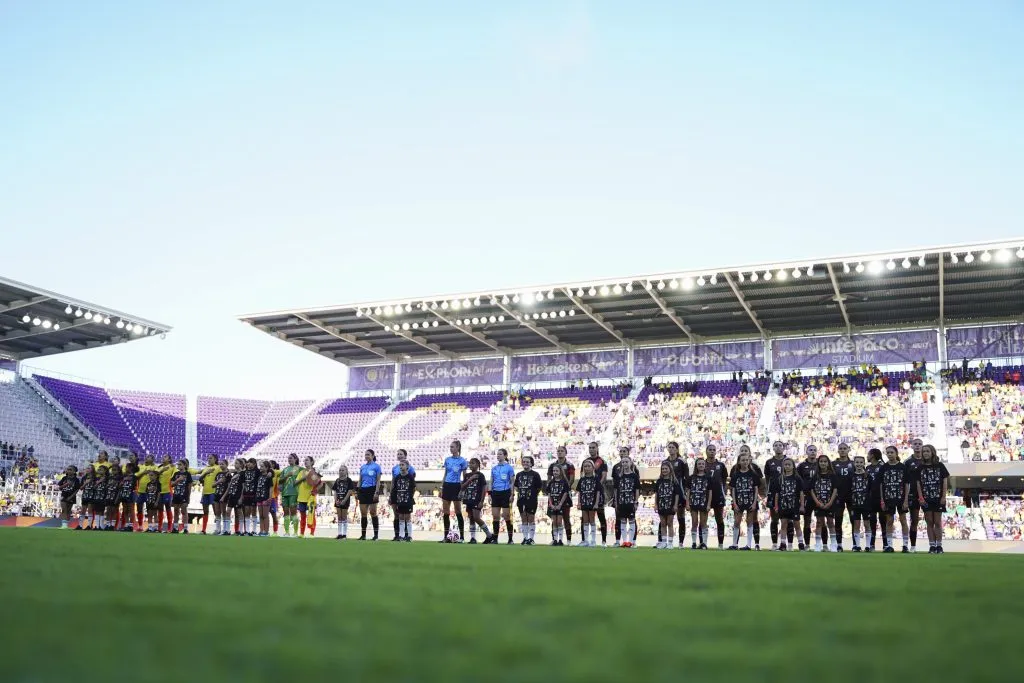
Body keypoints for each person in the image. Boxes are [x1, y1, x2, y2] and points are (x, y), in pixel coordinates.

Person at [916, 444, 949, 554]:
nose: (925, 453)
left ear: (932, 453)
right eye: (924, 451)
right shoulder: (920, 468)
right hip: (926, 499)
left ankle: (939, 546)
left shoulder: (940, 466)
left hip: (938, 498)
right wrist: (921, 497)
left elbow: (945, 481)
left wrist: (943, 497)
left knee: (937, 522)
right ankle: (932, 546)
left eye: (927, 451)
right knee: (929, 522)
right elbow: (918, 483)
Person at [878, 446, 910, 553]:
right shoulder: (884, 467)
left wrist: (906, 500)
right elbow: (881, 485)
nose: (890, 454)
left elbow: (906, 484)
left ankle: (905, 545)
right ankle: (889, 546)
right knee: (889, 521)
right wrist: (882, 500)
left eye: (892, 452)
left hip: (900, 497)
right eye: (888, 452)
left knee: (903, 520)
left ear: (896, 453)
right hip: (888, 498)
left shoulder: (902, 467)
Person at [768, 458, 804, 551]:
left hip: (794, 505)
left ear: (793, 466)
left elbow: (801, 493)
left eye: (789, 464)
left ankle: (801, 544)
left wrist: (802, 505)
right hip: (783, 505)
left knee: (797, 525)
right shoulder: (780, 478)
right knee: (783, 525)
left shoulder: (797, 478)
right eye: (785, 464)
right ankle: (783, 544)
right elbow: (777, 494)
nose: (787, 466)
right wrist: (776, 506)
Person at [730, 449, 762, 550]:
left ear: (749, 461)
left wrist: (754, 502)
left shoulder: (753, 474)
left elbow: (756, 489)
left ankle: (748, 544)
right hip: (739, 501)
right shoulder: (735, 475)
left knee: (750, 522)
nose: (745, 462)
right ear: (739, 462)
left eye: (746, 460)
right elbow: (733, 490)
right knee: (736, 522)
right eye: (743, 460)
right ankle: (735, 544)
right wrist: (734, 503)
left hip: (750, 500)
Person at [440, 440, 468, 542]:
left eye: (452, 447)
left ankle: (462, 537)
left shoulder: (462, 461)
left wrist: (463, 489)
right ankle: (445, 537)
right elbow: (445, 474)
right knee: (446, 512)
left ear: (458, 448)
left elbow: (464, 477)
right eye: (450, 447)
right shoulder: (447, 460)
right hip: (447, 485)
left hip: (456, 486)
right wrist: (442, 487)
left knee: (458, 511)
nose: (451, 448)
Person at [763, 441, 790, 549]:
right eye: (776, 445)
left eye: (780, 445)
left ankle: (788, 543)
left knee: (788, 519)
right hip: (773, 493)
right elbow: (767, 478)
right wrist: (767, 491)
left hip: (787, 492)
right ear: (773, 448)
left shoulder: (788, 461)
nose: (778, 447)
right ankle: (774, 543)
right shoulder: (769, 462)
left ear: (783, 448)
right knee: (774, 519)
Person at [797, 445, 824, 549]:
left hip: (819, 495)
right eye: (810, 450)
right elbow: (798, 481)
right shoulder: (802, 466)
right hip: (806, 496)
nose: (812, 452)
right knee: (807, 521)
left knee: (820, 521)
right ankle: (807, 545)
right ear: (806, 452)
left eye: (814, 450)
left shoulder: (821, 464)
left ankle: (821, 544)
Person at [663, 441, 690, 549]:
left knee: (680, 517)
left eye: (673, 447)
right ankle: (663, 541)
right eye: (669, 447)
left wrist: (686, 492)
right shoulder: (665, 461)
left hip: (680, 492)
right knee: (664, 518)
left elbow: (687, 478)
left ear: (677, 449)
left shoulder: (682, 461)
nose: (671, 449)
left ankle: (681, 543)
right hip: (667, 494)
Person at [546, 446, 576, 544]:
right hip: (554, 494)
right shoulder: (552, 465)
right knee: (554, 518)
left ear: (565, 453)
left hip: (565, 495)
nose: (559, 452)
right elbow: (549, 478)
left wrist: (565, 488)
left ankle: (568, 540)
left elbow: (571, 479)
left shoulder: (570, 465)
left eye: (562, 451)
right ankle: (554, 539)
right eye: (558, 451)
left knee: (566, 518)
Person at [809, 454, 838, 552]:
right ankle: (818, 544)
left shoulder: (832, 475)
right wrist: (817, 502)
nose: (823, 463)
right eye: (821, 461)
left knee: (830, 522)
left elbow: (835, 489)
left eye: (825, 461)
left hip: (830, 502)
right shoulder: (815, 475)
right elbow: (812, 490)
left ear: (828, 463)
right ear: (818, 463)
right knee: (819, 522)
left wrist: (830, 502)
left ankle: (834, 544)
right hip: (819, 503)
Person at [461, 458, 493, 544]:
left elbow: (484, 488)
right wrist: (470, 479)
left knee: (476, 517)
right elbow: (462, 487)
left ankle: (489, 535)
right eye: (470, 463)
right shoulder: (467, 475)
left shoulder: (480, 475)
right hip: (468, 499)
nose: (471, 465)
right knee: (471, 518)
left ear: (478, 465)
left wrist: (482, 501)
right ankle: (473, 538)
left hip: (477, 499)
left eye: (473, 463)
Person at [613, 450, 641, 547]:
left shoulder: (634, 476)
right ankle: (625, 541)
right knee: (623, 521)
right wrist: (616, 502)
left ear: (630, 463)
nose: (625, 463)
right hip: (621, 502)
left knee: (632, 520)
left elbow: (637, 489)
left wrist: (636, 501)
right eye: (623, 462)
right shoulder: (619, 477)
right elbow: (616, 490)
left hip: (631, 501)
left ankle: (632, 542)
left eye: (626, 462)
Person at [513, 455, 542, 545]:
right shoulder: (519, 474)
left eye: (527, 462)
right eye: (524, 462)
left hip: (532, 500)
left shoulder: (535, 474)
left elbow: (539, 487)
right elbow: (516, 487)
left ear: (531, 463)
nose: (525, 463)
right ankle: (525, 538)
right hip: (521, 499)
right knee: (523, 518)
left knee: (531, 518)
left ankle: (531, 539)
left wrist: (532, 494)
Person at [831, 442, 855, 552]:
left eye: (844, 448)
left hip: (851, 495)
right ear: (837, 450)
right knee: (838, 520)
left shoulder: (854, 463)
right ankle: (839, 544)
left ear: (848, 449)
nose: (842, 450)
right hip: (837, 496)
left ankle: (855, 544)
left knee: (854, 520)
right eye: (840, 448)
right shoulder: (833, 464)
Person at [704, 444, 729, 549]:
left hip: (718, 495)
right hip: (704, 496)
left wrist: (724, 491)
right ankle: (703, 543)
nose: (712, 451)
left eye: (714, 450)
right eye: (710, 450)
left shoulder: (721, 465)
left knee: (719, 520)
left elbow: (725, 480)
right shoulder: (702, 464)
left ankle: (720, 544)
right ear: (706, 451)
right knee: (703, 521)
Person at [585, 442, 610, 546]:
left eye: (593, 447)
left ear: (597, 448)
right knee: (585, 518)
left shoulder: (602, 462)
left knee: (601, 516)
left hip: (598, 493)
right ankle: (585, 540)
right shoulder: (585, 461)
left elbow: (604, 477)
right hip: (587, 494)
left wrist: (596, 487)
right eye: (590, 447)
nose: (591, 449)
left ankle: (604, 541)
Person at [489, 449, 515, 544]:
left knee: (507, 516)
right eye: (497, 454)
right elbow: (491, 482)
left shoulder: (509, 468)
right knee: (495, 517)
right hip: (495, 493)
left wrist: (512, 494)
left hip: (505, 493)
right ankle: (495, 539)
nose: (498, 455)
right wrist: (489, 494)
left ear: (505, 456)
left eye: (500, 454)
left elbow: (512, 482)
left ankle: (510, 539)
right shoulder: (494, 468)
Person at [575, 458, 603, 547]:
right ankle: (586, 540)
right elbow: (579, 492)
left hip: (592, 502)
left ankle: (593, 540)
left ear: (593, 467)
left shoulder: (596, 478)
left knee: (592, 521)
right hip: (584, 502)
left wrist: (596, 503)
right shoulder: (582, 479)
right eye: (585, 466)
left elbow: (598, 491)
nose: (586, 468)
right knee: (585, 521)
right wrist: (579, 502)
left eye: (588, 466)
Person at [904, 438, 925, 552]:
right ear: (912, 446)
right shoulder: (907, 462)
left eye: (919, 444)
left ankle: (935, 545)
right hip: (913, 494)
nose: (917, 446)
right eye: (915, 444)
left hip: (927, 494)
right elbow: (904, 480)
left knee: (931, 520)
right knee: (914, 520)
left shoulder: (927, 460)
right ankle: (913, 546)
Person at [356, 450, 382, 541]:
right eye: (365, 454)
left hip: (372, 489)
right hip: (363, 490)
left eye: (368, 454)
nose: (366, 456)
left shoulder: (377, 467)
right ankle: (363, 535)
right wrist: (357, 491)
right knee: (363, 513)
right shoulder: (363, 467)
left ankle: (376, 535)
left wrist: (377, 492)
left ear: (373, 455)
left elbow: (378, 481)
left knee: (373, 512)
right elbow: (360, 479)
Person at [654, 463, 682, 549]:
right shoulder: (659, 481)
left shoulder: (674, 481)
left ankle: (670, 542)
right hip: (661, 504)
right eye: (663, 469)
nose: (664, 470)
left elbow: (677, 494)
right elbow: (656, 493)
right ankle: (663, 542)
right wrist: (656, 504)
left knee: (669, 523)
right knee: (662, 523)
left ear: (670, 469)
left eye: (666, 469)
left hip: (670, 504)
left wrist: (675, 505)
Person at [390, 450, 415, 541]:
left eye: (401, 454)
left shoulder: (410, 472)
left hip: (407, 498)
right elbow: (393, 483)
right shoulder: (395, 470)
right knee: (398, 516)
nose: (399, 455)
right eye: (398, 454)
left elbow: (413, 486)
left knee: (407, 517)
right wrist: (391, 495)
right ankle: (398, 535)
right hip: (398, 497)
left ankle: (408, 535)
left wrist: (410, 496)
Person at [687, 458, 712, 549]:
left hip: (704, 502)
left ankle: (704, 543)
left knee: (703, 523)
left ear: (705, 465)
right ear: (696, 466)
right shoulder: (691, 477)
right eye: (699, 464)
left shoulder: (708, 477)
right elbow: (688, 491)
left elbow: (710, 492)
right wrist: (687, 503)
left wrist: (709, 504)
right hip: (693, 502)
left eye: (702, 464)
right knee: (694, 522)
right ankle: (694, 542)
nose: (701, 465)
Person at [848, 455, 872, 552]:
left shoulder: (868, 476)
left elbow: (871, 490)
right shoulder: (851, 476)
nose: (859, 464)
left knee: (867, 524)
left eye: (861, 462)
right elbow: (848, 490)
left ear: (864, 463)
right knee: (856, 524)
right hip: (855, 504)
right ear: (854, 463)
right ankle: (857, 546)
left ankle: (868, 546)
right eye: (857, 462)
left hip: (866, 504)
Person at [278, 454, 304, 538]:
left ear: (296, 459)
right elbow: (280, 481)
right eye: (288, 458)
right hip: (285, 493)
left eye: (291, 458)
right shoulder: (285, 469)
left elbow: (309, 473)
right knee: (285, 513)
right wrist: (287, 476)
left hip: (294, 492)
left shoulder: (299, 469)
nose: (289, 460)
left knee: (293, 512)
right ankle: (287, 532)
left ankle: (295, 533)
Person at [296, 456, 322, 538]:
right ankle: (302, 533)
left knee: (311, 515)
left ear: (311, 462)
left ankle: (311, 533)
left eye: (307, 460)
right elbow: (295, 482)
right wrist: (303, 478)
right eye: (304, 460)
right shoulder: (301, 472)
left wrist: (315, 491)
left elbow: (320, 483)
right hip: (301, 497)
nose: (305, 461)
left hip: (310, 497)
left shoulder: (314, 473)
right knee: (302, 515)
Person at [545, 463, 570, 546]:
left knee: (559, 522)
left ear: (560, 471)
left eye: (557, 471)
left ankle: (560, 540)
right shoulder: (551, 482)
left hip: (561, 505)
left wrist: (560, 504)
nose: (555, 472)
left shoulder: (564, 482)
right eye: (554, 471)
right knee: (554, 522)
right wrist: (551, 504)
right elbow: (549, 494)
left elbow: (565, 494)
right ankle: (555, 539)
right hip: (553, 504)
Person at [195, 454, 220, 535]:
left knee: (216, 511)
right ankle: (203, 530)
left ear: (215, 459)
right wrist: (206, 473)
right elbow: (200, 478)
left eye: (211, 458)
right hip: (205, 492)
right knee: (205, 511)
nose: (209, 460)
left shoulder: (218, 467)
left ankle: (218, 529)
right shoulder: (206, 468)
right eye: (208, 458)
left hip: (214, 492)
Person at [864, 449, 884, 551]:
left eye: (868, 454)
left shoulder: (882, 466)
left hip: (881, 497)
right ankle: (871, 544)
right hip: (870, 498)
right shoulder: (867, 468)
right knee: (872, 521)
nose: (867, 456)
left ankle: (886, 544)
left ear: (872, 455)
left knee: (883, 520)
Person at [220, 459, 244, 536]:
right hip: (232, 495)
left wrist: (241, 498)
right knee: (228, 512)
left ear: (241, 465)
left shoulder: (243, 474)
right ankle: (227, 530)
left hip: (238, 495)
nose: (235, 464)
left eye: (236, 463)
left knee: (239, 513)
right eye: (235, 463)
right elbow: (229, 486)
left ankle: (240, 530)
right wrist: (223, 496)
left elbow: (243, 487)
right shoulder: (234, 474)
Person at [169, 460, 193, 534]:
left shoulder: (188, 474)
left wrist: (188, 497)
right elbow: (172, 484)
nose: (178, 466)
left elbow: (189, 486)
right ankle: (175, 528)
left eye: (180, 464)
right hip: (176, 494)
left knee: (184, 511)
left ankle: (185, 528)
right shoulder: (176, 474)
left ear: (185, 466)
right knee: (176, 511)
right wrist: (178, 480)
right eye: (178, 464)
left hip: (184, 495)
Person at [332, 465, 354, 540]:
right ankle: (339, 534)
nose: (341, 471)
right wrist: (336, 500)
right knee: (339, 517)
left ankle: (344, 534)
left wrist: (344, 500)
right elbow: (334, 491)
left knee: (344, 517)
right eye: (340, 470)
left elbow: (350, 491)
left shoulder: (349, 480)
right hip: (338, 500)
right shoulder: (337, 480)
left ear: (346, 471)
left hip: (345, 500)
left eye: (343, 470)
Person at [240, 458, 259, 537]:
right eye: (248, 462)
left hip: (254, 494)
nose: (248, 464)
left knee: (254, 512)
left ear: (254, 464)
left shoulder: (257, 472)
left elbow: (268, 470)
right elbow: (242, 485)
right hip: (246, 494)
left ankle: (254, 531)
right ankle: (247, 531)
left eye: (251, 463)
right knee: (247, 512)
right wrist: (241, 496)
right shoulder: (243, 473)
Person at [256, 460, 275, 537]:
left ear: (267, 468)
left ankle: (266, 531)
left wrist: (270, 497)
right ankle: (261, 530)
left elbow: (271, 487)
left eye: (262, 466)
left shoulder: (269, 476)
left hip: (265, 497)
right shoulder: (259, 475)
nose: (260, 468)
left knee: (265, 515)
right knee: (260, 515)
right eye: (260, 466)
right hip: (259, 497)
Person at [212, 459, 231, 535]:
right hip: (217, 494)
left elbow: (229, 487)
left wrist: (224, 496)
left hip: (224, 494)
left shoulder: (228, 474)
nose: (221, 465)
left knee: (224, 512)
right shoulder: (218, 474)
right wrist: (219, 481)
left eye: (222, 464)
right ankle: (217, 529)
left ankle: (225, 529)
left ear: (226, 465)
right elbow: (213, 485)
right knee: (217, 512)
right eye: (220, 464)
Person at [58, 465, 80, 529]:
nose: (68, 471)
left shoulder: (76, 480)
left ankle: (66, 525)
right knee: (64, 509)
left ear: (74, 471)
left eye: (70, 469)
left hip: (72, 496)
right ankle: (64, 525)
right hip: (64, 495)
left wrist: (71, 497)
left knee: (68, 510)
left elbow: (77, 489)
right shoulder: (64, 478)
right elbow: (60, 487)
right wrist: (66, 484)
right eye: (68, 469)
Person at [118, 463, 137, 532]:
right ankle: (126, 525)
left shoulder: (134, 477)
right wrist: (124, 480)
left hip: (131, 494)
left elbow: (135, 486)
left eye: (127, 467)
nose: (126, 469)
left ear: (131, 468)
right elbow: (119, 486)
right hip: (124, 494)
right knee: (125, 510)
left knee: (131, 510)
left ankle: (131, 526)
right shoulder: (124, 476)